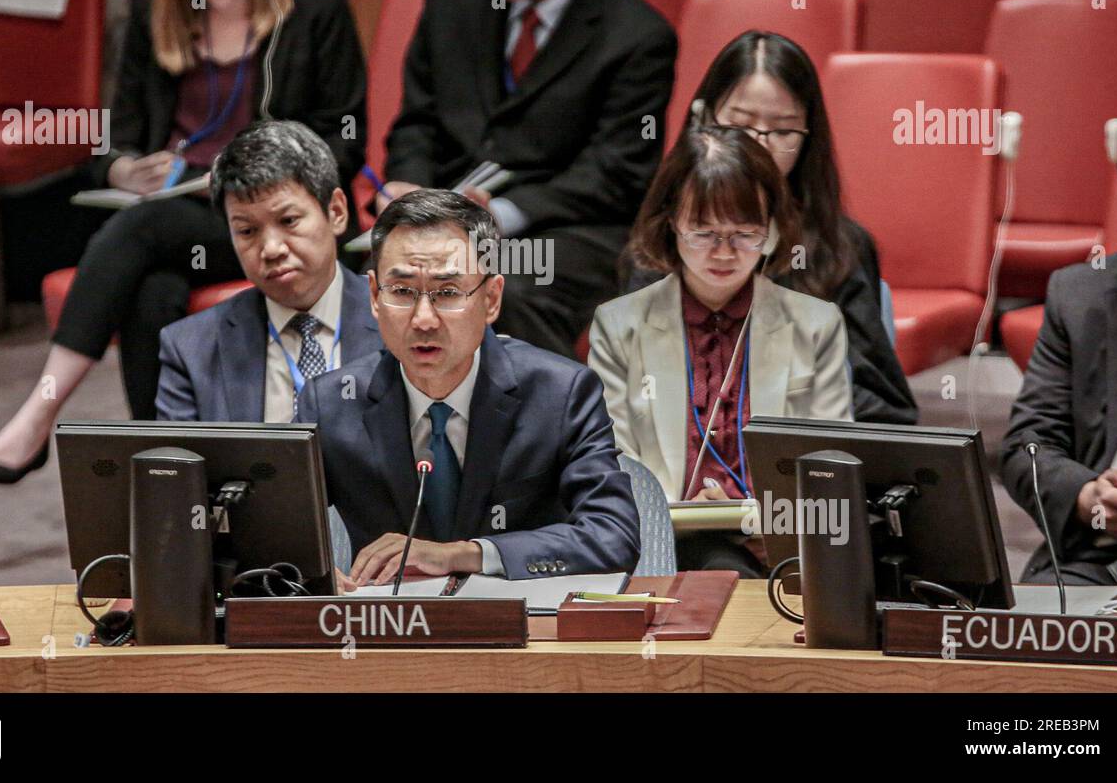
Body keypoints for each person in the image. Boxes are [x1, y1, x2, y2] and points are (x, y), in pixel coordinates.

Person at [0, 0, 366, 482]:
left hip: (270, 223)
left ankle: (40, 414)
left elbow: (344, 142)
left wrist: (249, 171)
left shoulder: (315, 13)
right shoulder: (161, 19)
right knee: (151, 291)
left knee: (141, 233)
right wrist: (125, 167)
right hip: (177, 219)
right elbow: (114, 139)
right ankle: (169, 474)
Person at [379, 0, 676, 359]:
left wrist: (506, 213)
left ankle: (533, 436)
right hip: (445, 215)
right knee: (362, 275)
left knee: (506, 285)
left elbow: (616, 171)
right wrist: (408, 188)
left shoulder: (637, 34)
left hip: (567, 230)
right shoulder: (452, 0)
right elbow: (417, 123)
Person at [296, 190, 640, 587]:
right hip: (388, 634)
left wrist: (467, 554)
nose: (424, 319)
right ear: (374, 296)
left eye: (447, 293)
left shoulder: (560, 393)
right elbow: (277, 530)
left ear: (491, 299)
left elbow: (614, 535)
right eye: (403, 292)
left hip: (525, 634)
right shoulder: (331, 404)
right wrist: (313, 576)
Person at [590, 126, 851, 575]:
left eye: (745, 233)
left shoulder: (815, 325)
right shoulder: (619, 325)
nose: (725, 252)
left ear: (771, 228)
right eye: (704, 232)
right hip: (663, 546)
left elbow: (831, 466)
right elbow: (616, 469)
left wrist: (754, 516)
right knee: (711, 564)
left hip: (783, 546)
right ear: (671, 223)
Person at [681, 30, 916, 425]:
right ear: (703, 121)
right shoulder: (660, 233)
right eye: (740, 127)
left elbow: (883, 408)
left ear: (809, 137)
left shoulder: (838, 247)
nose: (760, 146)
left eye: (784, 131)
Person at [1002, 109, 1117, 585]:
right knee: (1026, 638)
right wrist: (1088, 496)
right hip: (1109, 556)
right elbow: (1027, 447)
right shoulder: (1083, 298)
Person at [156, 121, 381, 422]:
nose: (271, 249)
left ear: (336, 212)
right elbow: (182, 466)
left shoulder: (401, 323)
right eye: (247, 231)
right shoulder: (191, 349)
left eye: (288, 221)